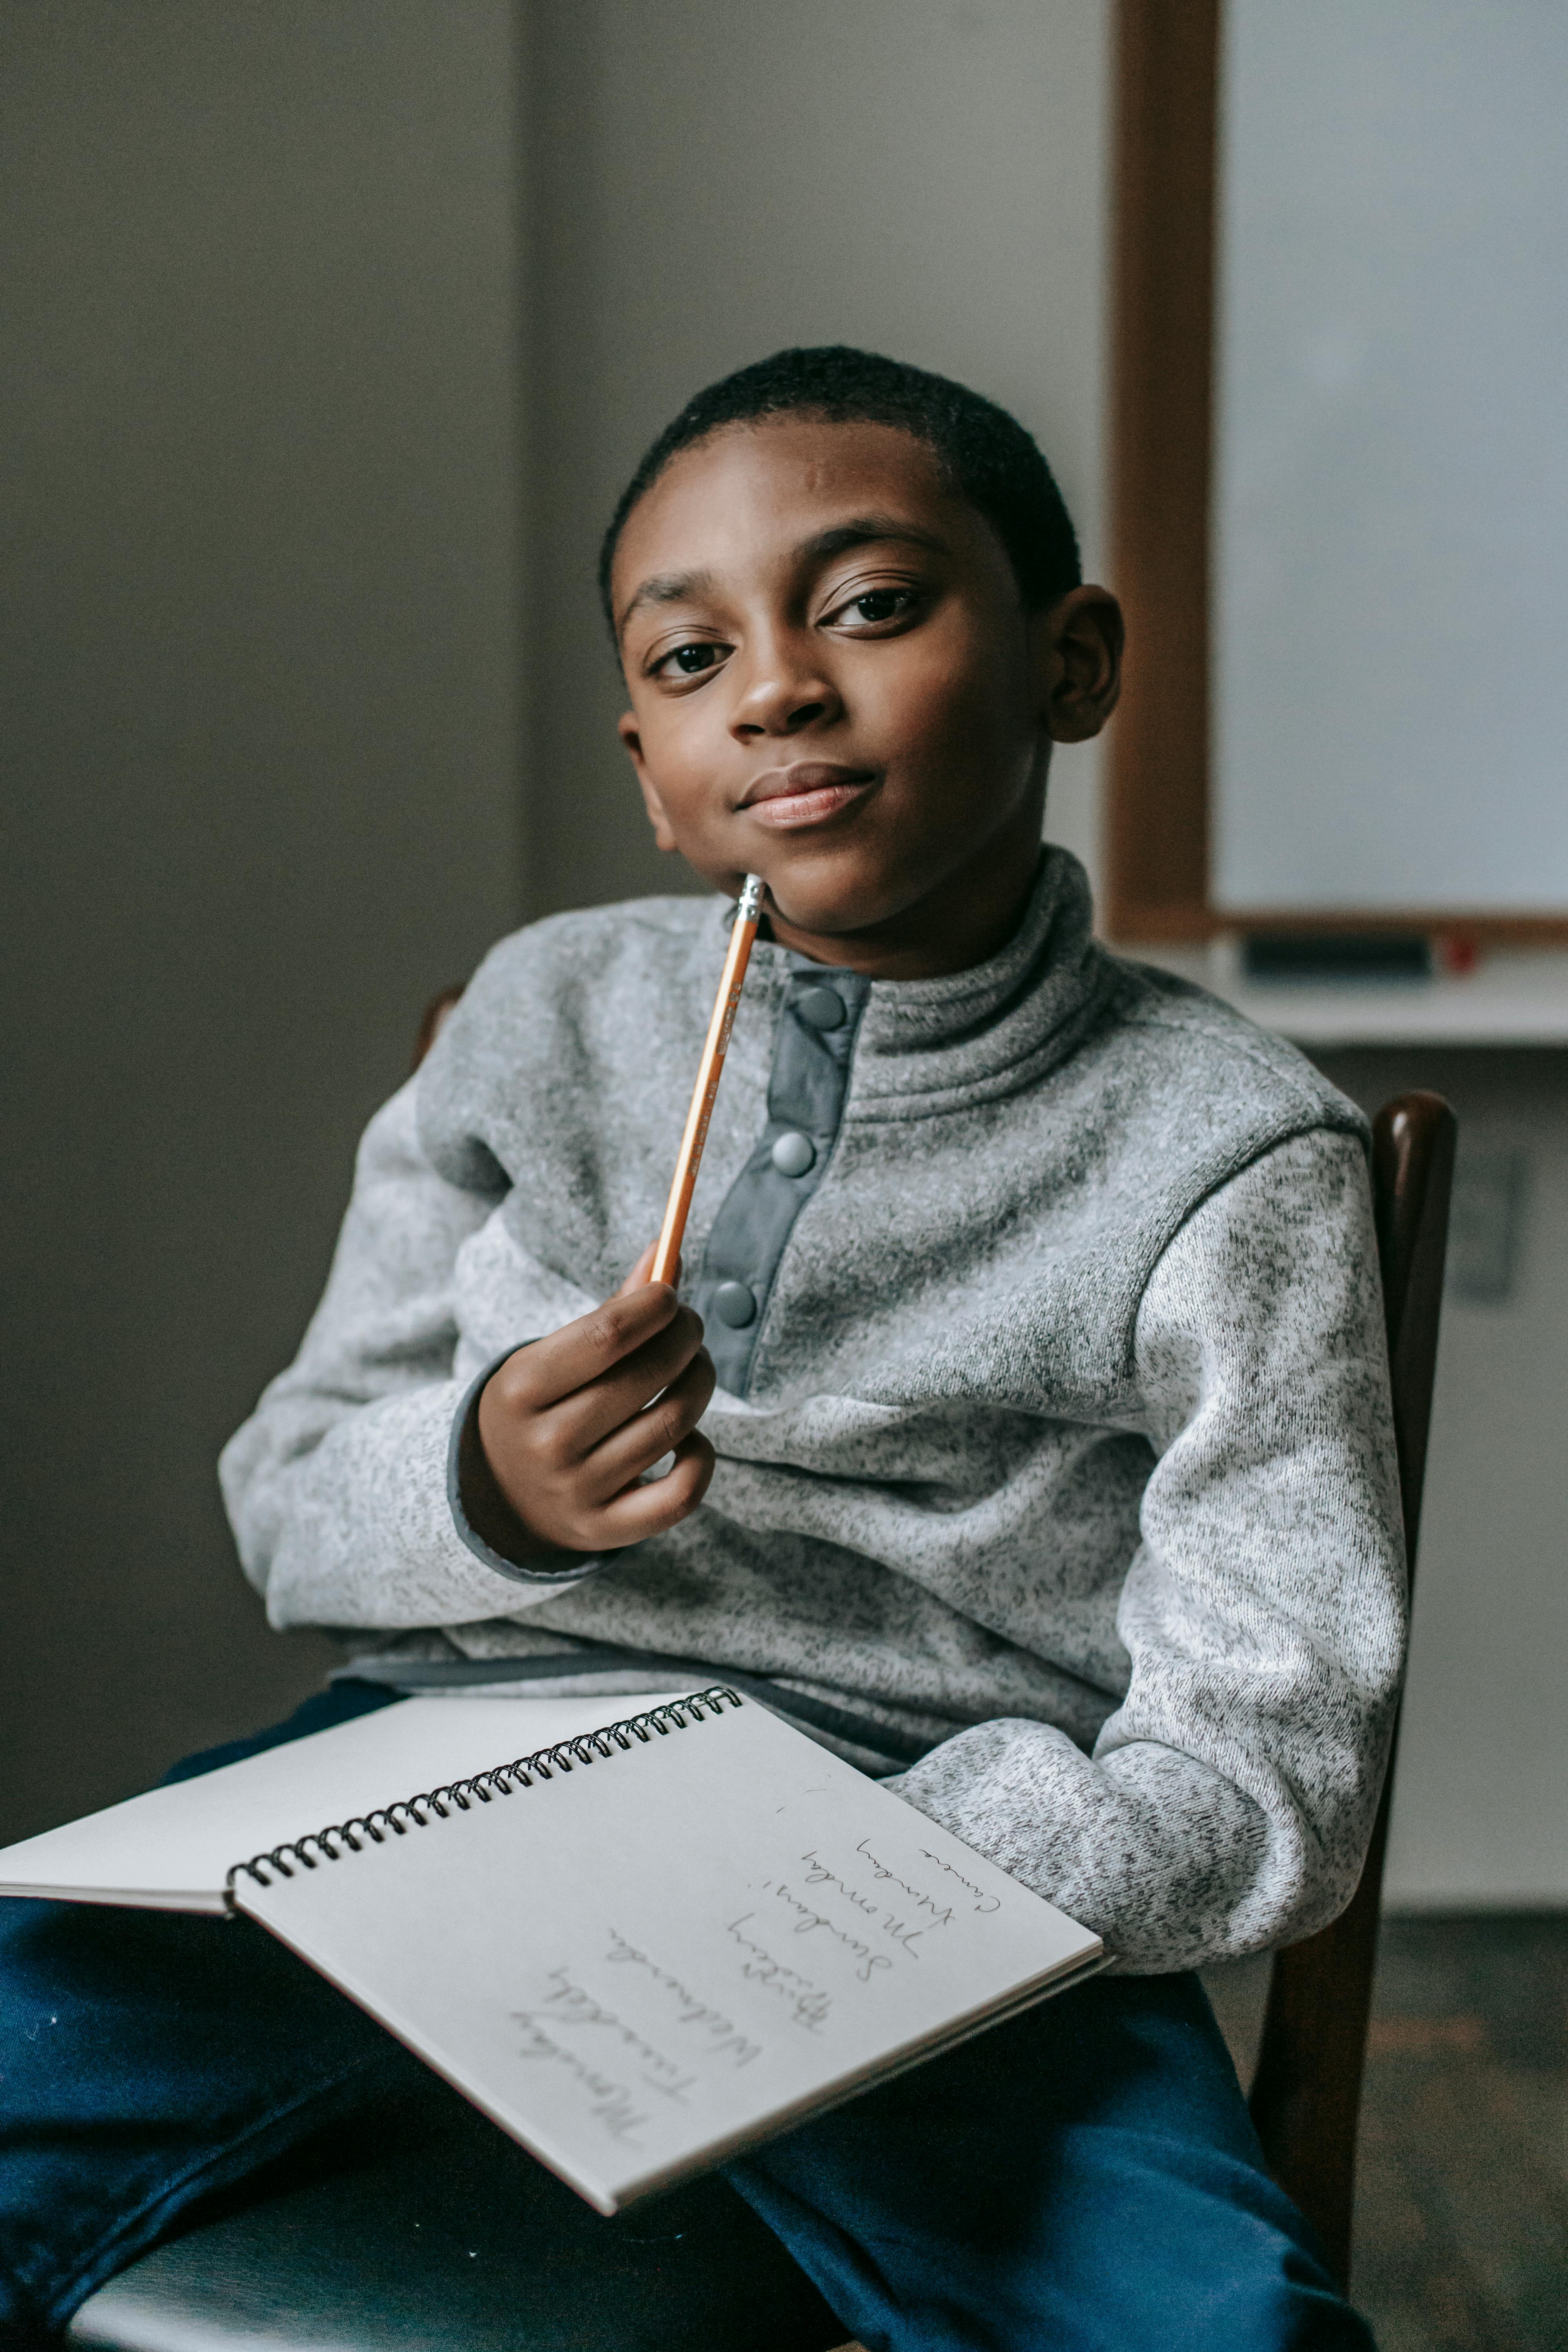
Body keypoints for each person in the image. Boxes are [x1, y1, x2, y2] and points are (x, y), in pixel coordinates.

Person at [0, 348, 1402, 2348]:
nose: (773, 691)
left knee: (1212, 2325)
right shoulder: (538, 1021)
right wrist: (487, 1484)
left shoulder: (1227, 1153)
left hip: (948, 1877)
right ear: (653, 776)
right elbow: (291, 1505)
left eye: (872, 606)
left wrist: (926, 1873)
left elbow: (1269, 1758)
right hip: (442, 1803)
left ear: (1071, 664)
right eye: (686, 660)